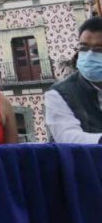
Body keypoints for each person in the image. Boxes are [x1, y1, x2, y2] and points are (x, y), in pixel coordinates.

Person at [45, 16, 102, 144]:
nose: (90, 54)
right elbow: (67, 137)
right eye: (84, 48)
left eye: (98, 49)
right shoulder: (59, 94)